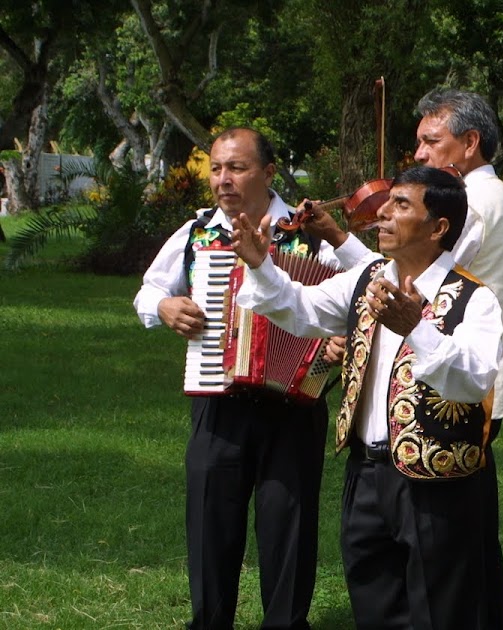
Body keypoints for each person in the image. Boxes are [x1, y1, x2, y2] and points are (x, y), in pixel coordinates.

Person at [230, 166, 502, 629]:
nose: (384, 216)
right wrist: (261, 265)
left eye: (401, 206)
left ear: (439, 228)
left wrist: (418, 329)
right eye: (388, 202)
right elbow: (301, 309)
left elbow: (473, 381)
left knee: (441, 614)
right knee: (374, 607)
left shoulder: (474, 298)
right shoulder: (368, 277)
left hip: (437, 485)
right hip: (367, 476)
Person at [133, 127, 372, 629]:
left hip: (294, 404)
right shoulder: (197, 233)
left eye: (236, 168)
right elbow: (149, 289)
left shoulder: (311, 234)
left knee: (290, 524)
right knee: (209, 520)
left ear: (267, 172)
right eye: (216, 168)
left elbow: (358, 296)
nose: (223, 179)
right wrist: (164, 305)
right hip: (217, 400)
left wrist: (338, 340)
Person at [414, 88, 503, 628]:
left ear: (469, 143)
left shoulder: (475, 201)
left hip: (469, 378)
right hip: (473, 373)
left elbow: (428, 270)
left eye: (431, 141)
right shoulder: (484, 193)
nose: (419, 154)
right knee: (475, 521)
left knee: (459, 523)